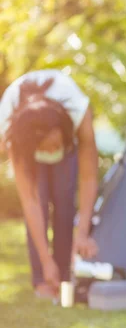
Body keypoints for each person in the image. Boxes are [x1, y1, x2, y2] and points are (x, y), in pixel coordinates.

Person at [0, 70, 99, 299]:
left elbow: (88, 178)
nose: (52, 152)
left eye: (54, 145)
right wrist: (46, 260)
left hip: (68, 144)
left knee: (65, 204)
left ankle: (64, 276)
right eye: (47, 148)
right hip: (25, 147)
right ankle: (44, 277)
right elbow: (30, 201)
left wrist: (82, 233)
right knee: (40, 203)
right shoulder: (12, 128)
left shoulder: (78, 112)